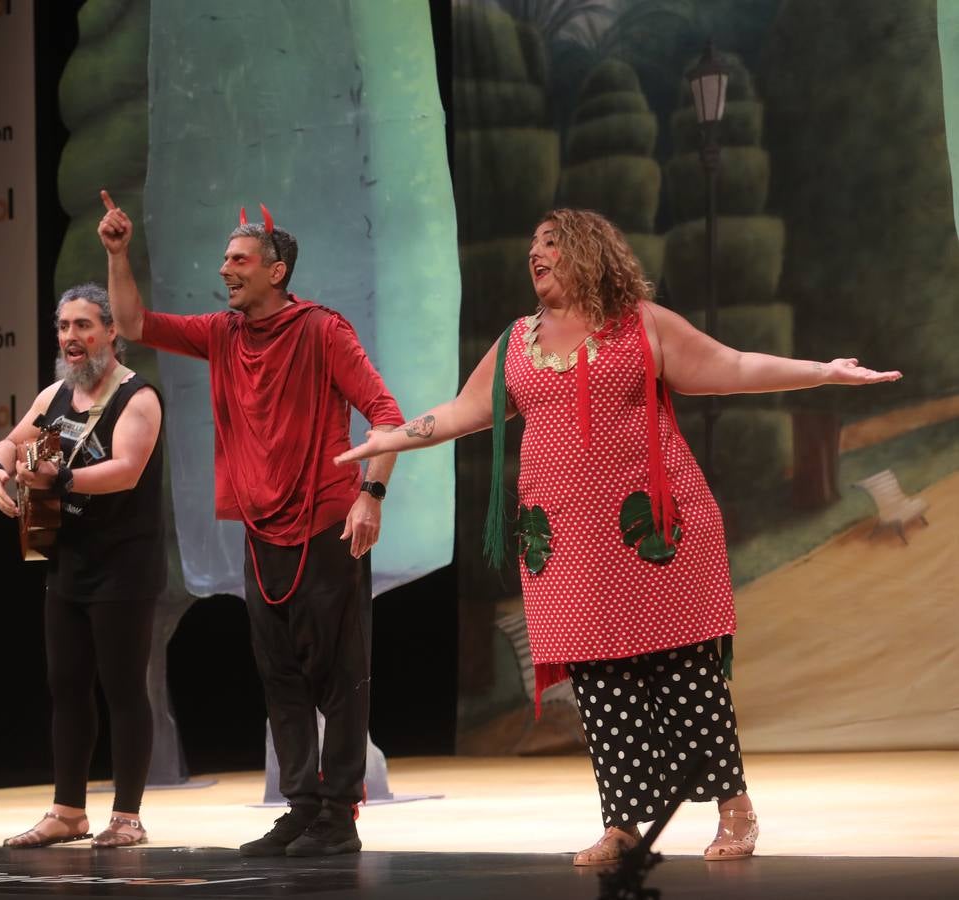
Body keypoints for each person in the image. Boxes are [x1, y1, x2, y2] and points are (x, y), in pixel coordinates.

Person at [336, 209, 902, 865]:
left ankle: (734, 810)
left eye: (550, 243)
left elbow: (734, 365)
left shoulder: (641, 325)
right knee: (601, 685)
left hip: (652, 533)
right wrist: (393, 438)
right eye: (531, 246)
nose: (535, 254)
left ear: (588, 252)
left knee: (685, 674)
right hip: (567, 545)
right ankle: (625, 826)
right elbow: (465, 411)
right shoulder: (518, 341)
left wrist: (823, 372)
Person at [97, 190, 405, 858]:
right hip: (262, 529)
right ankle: (301, 806)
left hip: (327, 524)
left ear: (276, 270)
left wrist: (370, 494)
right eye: (225, 260)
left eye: (238, 259)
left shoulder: (324, 331)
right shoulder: (222, 334)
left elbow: (387, 414)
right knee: (280, 677)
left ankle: (338, 814)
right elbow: (133, 321)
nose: (225, 270)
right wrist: (117, 254)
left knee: (340, 678)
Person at [0, 283, 165, 849]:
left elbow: (127, 470)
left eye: (84, 325)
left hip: (123, 565)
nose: (71, 337)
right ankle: (68, 811)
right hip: (68, 564)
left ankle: (127, 817)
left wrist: (59, 479)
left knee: (123, 688)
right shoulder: (56, 394)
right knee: (66, 687)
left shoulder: (138, 396)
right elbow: (12, 444)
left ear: (111, 332)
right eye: (63, 327)